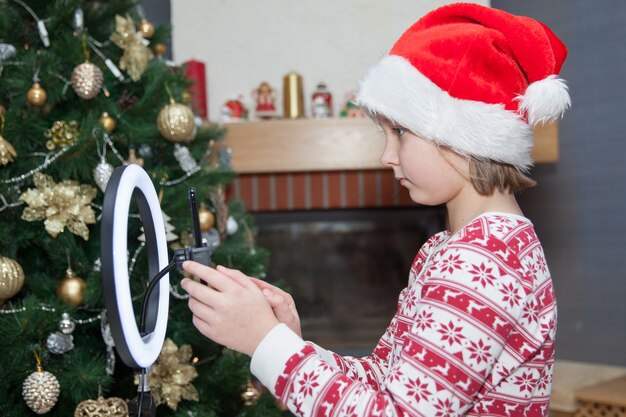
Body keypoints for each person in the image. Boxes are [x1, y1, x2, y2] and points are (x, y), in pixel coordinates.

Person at [181, 3, 571, 416]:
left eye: (400, 131)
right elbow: (386, 380)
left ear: (463, 134)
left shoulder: (482, 260)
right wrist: (287, 341)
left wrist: (264, 342)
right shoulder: (460, 247)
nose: (386, 155)